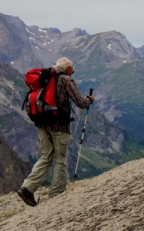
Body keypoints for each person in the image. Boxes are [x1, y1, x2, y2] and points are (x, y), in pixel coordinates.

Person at [17, 57, 94, 206]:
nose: (73, 72)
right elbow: (80, 102)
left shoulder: (45, 78)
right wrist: (90, 100)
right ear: (69, 69)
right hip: (59, 126)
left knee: (45, 157)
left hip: (42, 124)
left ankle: (27, 188)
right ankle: (56, 195)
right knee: (60, 159)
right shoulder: (67, 80)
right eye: (72, 70)